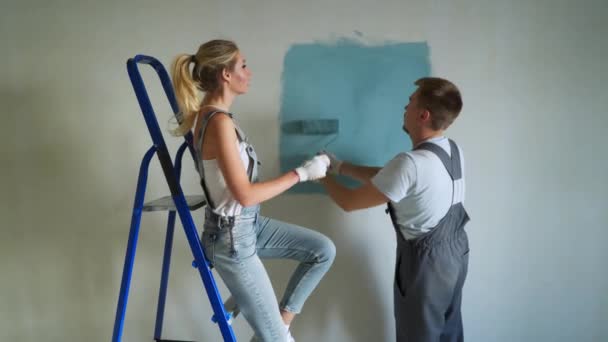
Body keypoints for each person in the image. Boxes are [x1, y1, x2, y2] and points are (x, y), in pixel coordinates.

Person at [171, 39, 336, 342]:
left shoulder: (218, 119)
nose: (249, 72)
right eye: (243, 65)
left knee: (322, 250)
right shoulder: (217, 122)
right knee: (277, 341)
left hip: (248, 226)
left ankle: (279, 326)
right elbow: (244, 194)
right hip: (232, 240)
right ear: (226, 75)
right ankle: (275, 334)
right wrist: (302, 173)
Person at [320, 77, 469, 342]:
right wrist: (340, 167)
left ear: (422, 115)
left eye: (410, 103)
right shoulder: (451, 150)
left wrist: (320, 175)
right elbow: (391, 179)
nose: (405, 107)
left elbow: (349, 202)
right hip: (455, 256)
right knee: (448, 335)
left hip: (426, 267)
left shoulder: (410, 163)